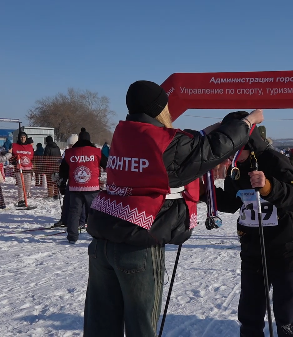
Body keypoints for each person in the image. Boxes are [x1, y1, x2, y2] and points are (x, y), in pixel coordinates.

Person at [83, 80, 261, 336]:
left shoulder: (126, 133)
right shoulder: (167, 146)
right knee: (141, 327)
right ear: (159, 107)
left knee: (101, 326)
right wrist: (249, 120)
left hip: (103, 240)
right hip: (138, 243)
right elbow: (209, 148)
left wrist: (221, 125)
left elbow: (189, 141)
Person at [212, 111, 293, 337]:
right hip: (253, 250)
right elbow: (230, 201)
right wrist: (204, 192)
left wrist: (269, 188)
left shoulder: (275, 160)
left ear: (248, 140)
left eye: (236, 148)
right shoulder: (236, 167)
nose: (232, 155)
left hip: (286, 250)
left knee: (286, 319)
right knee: (249, 315)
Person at [59, 128, 106, 244]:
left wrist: (62, 183)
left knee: (74, 212)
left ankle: (72, 236)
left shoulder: (70, 153)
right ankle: (97, 234)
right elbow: (107, 164)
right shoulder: (96, 151)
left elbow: (63, 169)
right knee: (94, 212)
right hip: (92, 187)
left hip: (75, 186)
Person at [11, 131, 34, 207]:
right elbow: (11, 156)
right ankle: (20, 199)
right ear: (19, 138)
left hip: (28, 169)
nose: (23, 139)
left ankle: (25, 198)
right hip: (19, 169)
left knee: (27, 185)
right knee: (21, 185)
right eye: (21, 137)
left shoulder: (29, 147)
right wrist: (14, 161)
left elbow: (32, 157)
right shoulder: (15, 145)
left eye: (24, 137)